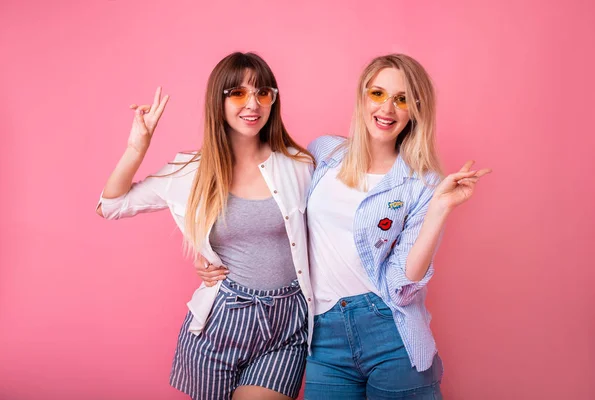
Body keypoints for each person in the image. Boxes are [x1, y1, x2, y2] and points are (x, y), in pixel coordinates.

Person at [198, 53, 491, 399]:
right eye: (378, 94)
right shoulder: (323, 152)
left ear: (416, 110)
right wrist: (213, 252)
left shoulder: (423, 184)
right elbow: (277, 211)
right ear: (362, 96)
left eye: (402, 99)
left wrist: (440, 209)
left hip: (390, 329)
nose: (387, 109)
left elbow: (403, 283)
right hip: (323, 335)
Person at [96, 52, 316, 400]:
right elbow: (111, 205)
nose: (253, 103)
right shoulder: (189, 171)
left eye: (263, 92)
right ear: (219, 99)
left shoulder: (298, 166)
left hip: (287, 324)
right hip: (220, 323)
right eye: (238, 93)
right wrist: (137, 148)